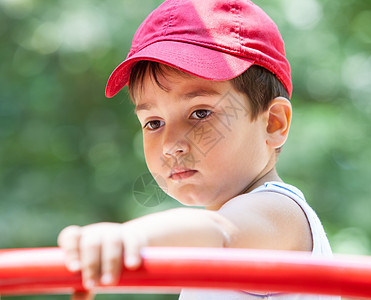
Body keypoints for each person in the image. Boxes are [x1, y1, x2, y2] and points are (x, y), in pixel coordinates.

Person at [58, 0, 339, 299]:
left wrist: (129, 238)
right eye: (154, 122)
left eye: (201, 113)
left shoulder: (279, 213)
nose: (170, 145)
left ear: (273, 123)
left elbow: (221, 232)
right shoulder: (211, 244)